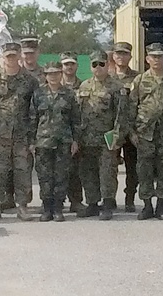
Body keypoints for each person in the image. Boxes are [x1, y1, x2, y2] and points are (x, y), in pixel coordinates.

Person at [120, 43, 163, 221]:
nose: (156, 59)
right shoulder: (140, 80)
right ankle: (147, 206)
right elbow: (131, 107)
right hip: (144, 134)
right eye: (153, 56)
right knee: (144, 170)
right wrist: (131, 132)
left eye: (160, 56)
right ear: (147, 59)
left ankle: (161, 206)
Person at [0, 42, 37, 221]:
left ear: (19, 56)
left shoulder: (30, 81)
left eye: (14, 56)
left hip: (22, 135)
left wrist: (32, 137)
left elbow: (34, 108)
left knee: (23, 171)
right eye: (8, 56)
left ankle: (22, 207)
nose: (11, 59)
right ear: (2, 58)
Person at [75, 50, 124, 220]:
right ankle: (93, 203)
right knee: (88, 172)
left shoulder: (116, 87)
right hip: (87, 137)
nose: (98, 68)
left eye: (101, 64)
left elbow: (121, 114)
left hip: (106, 138)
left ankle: (108, 204)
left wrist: (118, 136)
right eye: (94, 64)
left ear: (107, 64)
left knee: (107, 172)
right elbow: (78, 112)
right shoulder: (84, 86)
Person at [30, 60, 79, 222]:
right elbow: (32, 118)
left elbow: (75, 119)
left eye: (56, 73)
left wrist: (75, 140)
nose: (53, 77)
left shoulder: (69, 94)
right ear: (45, 76)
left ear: (61, 74)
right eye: (50, 74)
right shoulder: (38, 94)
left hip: (63, 141)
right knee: (44, 176)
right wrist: (31, 142)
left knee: (61, 176)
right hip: (43, 142)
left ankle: (58, 208)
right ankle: (47, 208)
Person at [112, 41, 140, 212]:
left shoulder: (138, 78)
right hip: (113, 129)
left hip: (131, 129)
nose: (121, 57)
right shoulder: (107, 77)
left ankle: (130, 198)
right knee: (110, 167)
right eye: (118, 54)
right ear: (113, 56)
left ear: (130, 56)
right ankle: (110, 198)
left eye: (124, 54)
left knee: (132, 167)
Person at [59, 52, 84, 214]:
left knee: (76, 171)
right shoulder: (52, 85)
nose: (69, 67)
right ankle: (57, 202)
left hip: (77, 134)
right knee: (58, 171)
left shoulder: (84, 86)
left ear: (77, 66)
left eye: (72, 64)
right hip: (57, 134)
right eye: (66, 64)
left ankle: (76, 201)